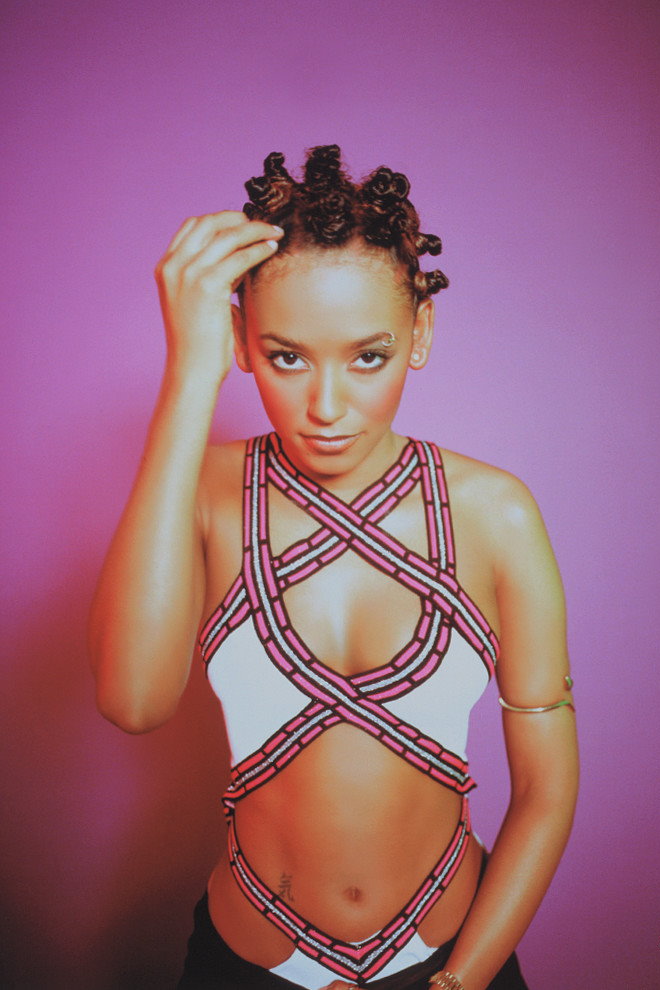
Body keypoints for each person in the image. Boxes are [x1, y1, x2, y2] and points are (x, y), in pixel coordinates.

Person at [88, 145, 579, 990]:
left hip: (452, 959)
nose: (324, 407)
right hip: (246, 965)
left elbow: (544, 790)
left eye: (366, 357)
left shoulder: (493, 513)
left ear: (420, 334)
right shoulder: (199, 491)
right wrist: (190, 373)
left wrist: (462, 981)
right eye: (287, 356)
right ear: (242, 342)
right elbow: (133, 702)